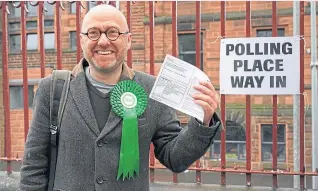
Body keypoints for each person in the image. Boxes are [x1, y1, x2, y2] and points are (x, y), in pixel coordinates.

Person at [20, 4, 222, 191]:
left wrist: (202, 122)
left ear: (129, 40)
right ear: (82, 40)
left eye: (113, 32)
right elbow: (34, 163)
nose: (103, 41)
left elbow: (175, 157)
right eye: (93, 33)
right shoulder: (52, 89)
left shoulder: (151, 89)